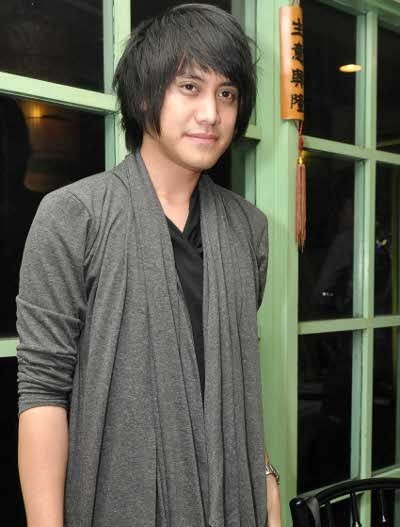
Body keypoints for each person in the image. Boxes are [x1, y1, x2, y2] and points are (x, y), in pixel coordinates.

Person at [17, 4, 281, 526]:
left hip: (234, 504)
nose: (211, 113)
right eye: (190, 87)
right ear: (143, 96)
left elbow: (235, 379)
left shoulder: (247, 229)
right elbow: (43, 393)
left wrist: (266, 484)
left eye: (227, 93)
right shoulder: (74, 215)